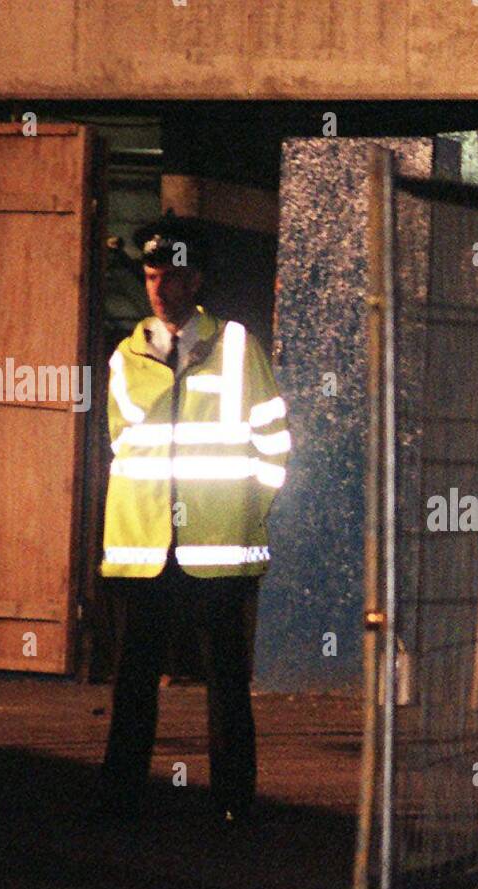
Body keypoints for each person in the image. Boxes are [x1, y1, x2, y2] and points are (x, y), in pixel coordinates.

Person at [95, 215, 290, 824]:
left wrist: (245, 515)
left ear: (197, 279)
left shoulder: (235, 348)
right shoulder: (127, 357)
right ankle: (122, 798)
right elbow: (121, 449)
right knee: (134, 683)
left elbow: (274, 445)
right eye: (152, 275)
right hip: (145, 548)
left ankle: (235, 803)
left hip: (218, 549)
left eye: (173, 276)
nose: (160, 288)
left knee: (227, 685)